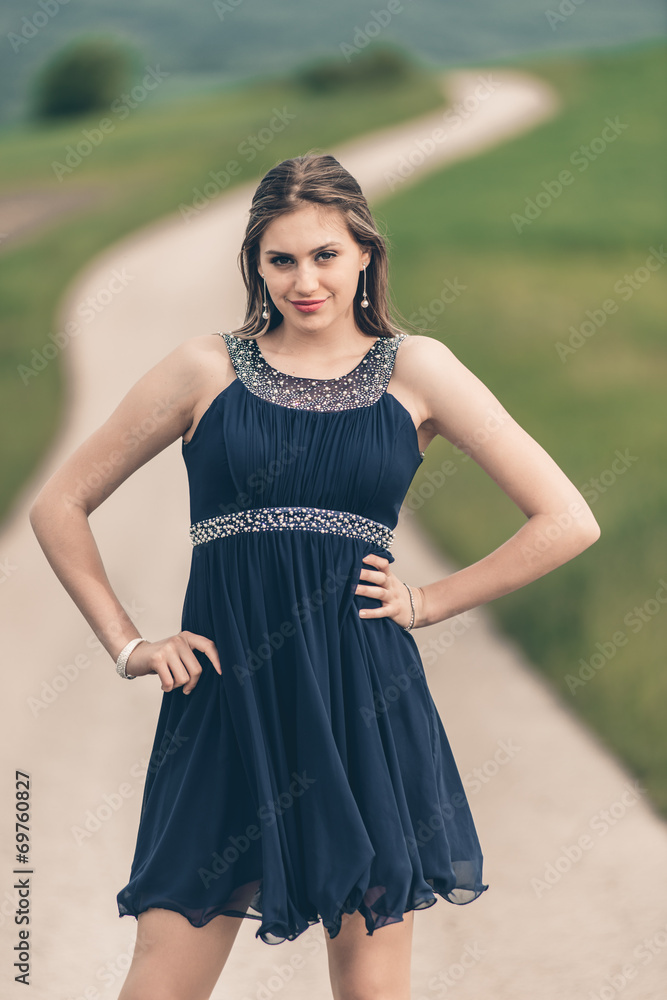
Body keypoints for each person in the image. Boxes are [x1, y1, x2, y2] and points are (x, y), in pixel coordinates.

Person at [29, 151, 600, 1000]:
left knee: (369, 987)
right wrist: (129, 646)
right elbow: (60, 504)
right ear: (255, 263)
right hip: (223, 699)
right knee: (161, 980)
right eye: (281, 258)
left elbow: (566, 520)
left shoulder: (419, 369)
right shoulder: (204, 369)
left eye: (325, 254)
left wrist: (428, 601)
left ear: (364, 252)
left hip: (361, 699)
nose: (305, 280)